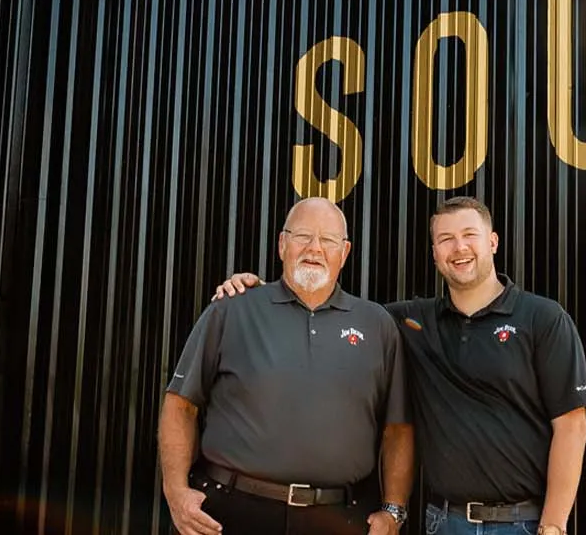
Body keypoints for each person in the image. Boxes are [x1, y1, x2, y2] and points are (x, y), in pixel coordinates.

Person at [215, 196, 586, 535]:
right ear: (435, 254)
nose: (459, 248)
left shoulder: (542, 319)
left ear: (492, 242)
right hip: (444, 522)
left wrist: (553, 525)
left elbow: (572, 427)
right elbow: (329, 309)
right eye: (445, 239)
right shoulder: (411, 322)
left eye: (469, 235)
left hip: (521, 523)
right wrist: (260, 292)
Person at [161, 197, 414, 535]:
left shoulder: (377, 324)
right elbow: (181, 404)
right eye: (302, 236)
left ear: (346, 252)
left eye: (327, 240)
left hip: (338, 518)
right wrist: (175, 491)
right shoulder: (232, 310)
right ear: (282, 244)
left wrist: (393, 511)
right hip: (231, 513)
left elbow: (397, 428)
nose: (314, 248)